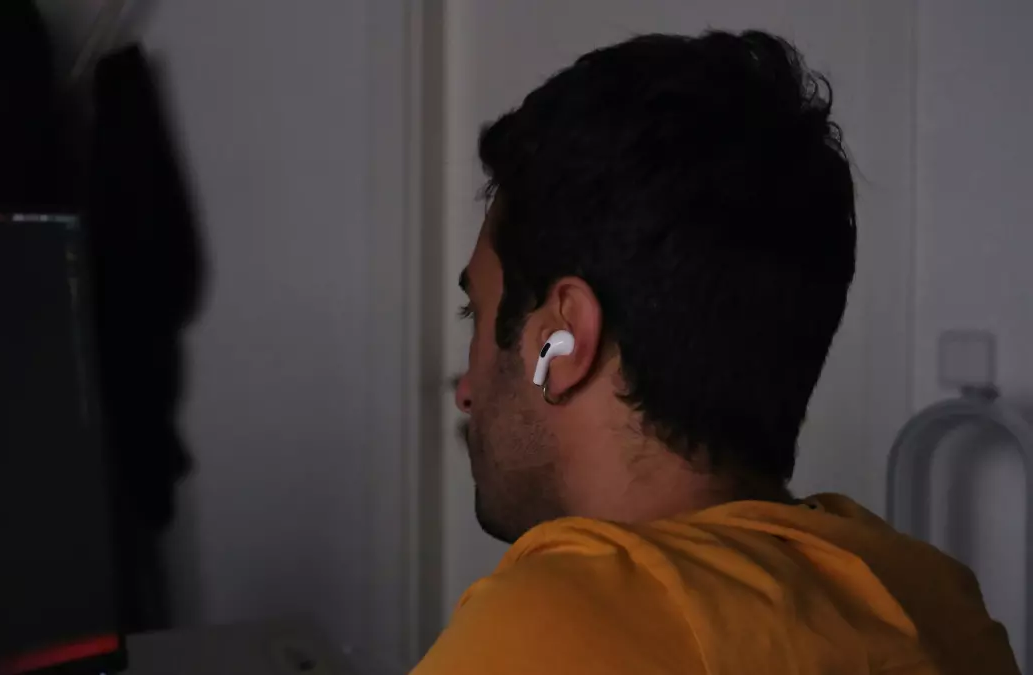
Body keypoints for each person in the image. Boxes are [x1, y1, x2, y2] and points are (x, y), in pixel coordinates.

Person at [412, 30, 1019, 675]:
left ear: (563, 341)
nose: (466, 391)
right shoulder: (937, 602)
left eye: (475, 315)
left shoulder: (546, 633)